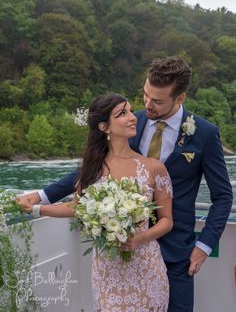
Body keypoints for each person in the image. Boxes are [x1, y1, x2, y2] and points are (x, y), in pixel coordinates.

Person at [18, 57, 233, 312]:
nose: (147, 105)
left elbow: (222, 197)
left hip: (177, 252)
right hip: (120, 254)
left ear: (180, 99)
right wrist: (41, 196)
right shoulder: (130, 122)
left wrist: (203, 247)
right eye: (145, 95)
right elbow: (93, 169)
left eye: (157, 101)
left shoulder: (205, 134)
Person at [19, 94, 173, 311]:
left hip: (146, 266)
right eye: (122, 113)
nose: (132, 117)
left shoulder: (154, 167)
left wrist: (139, 238)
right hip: (106, 270)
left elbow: (167, 220)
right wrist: (36, 208)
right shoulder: (92, 169)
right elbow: (76, 206)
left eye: (130, 110)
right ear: (104, 127)